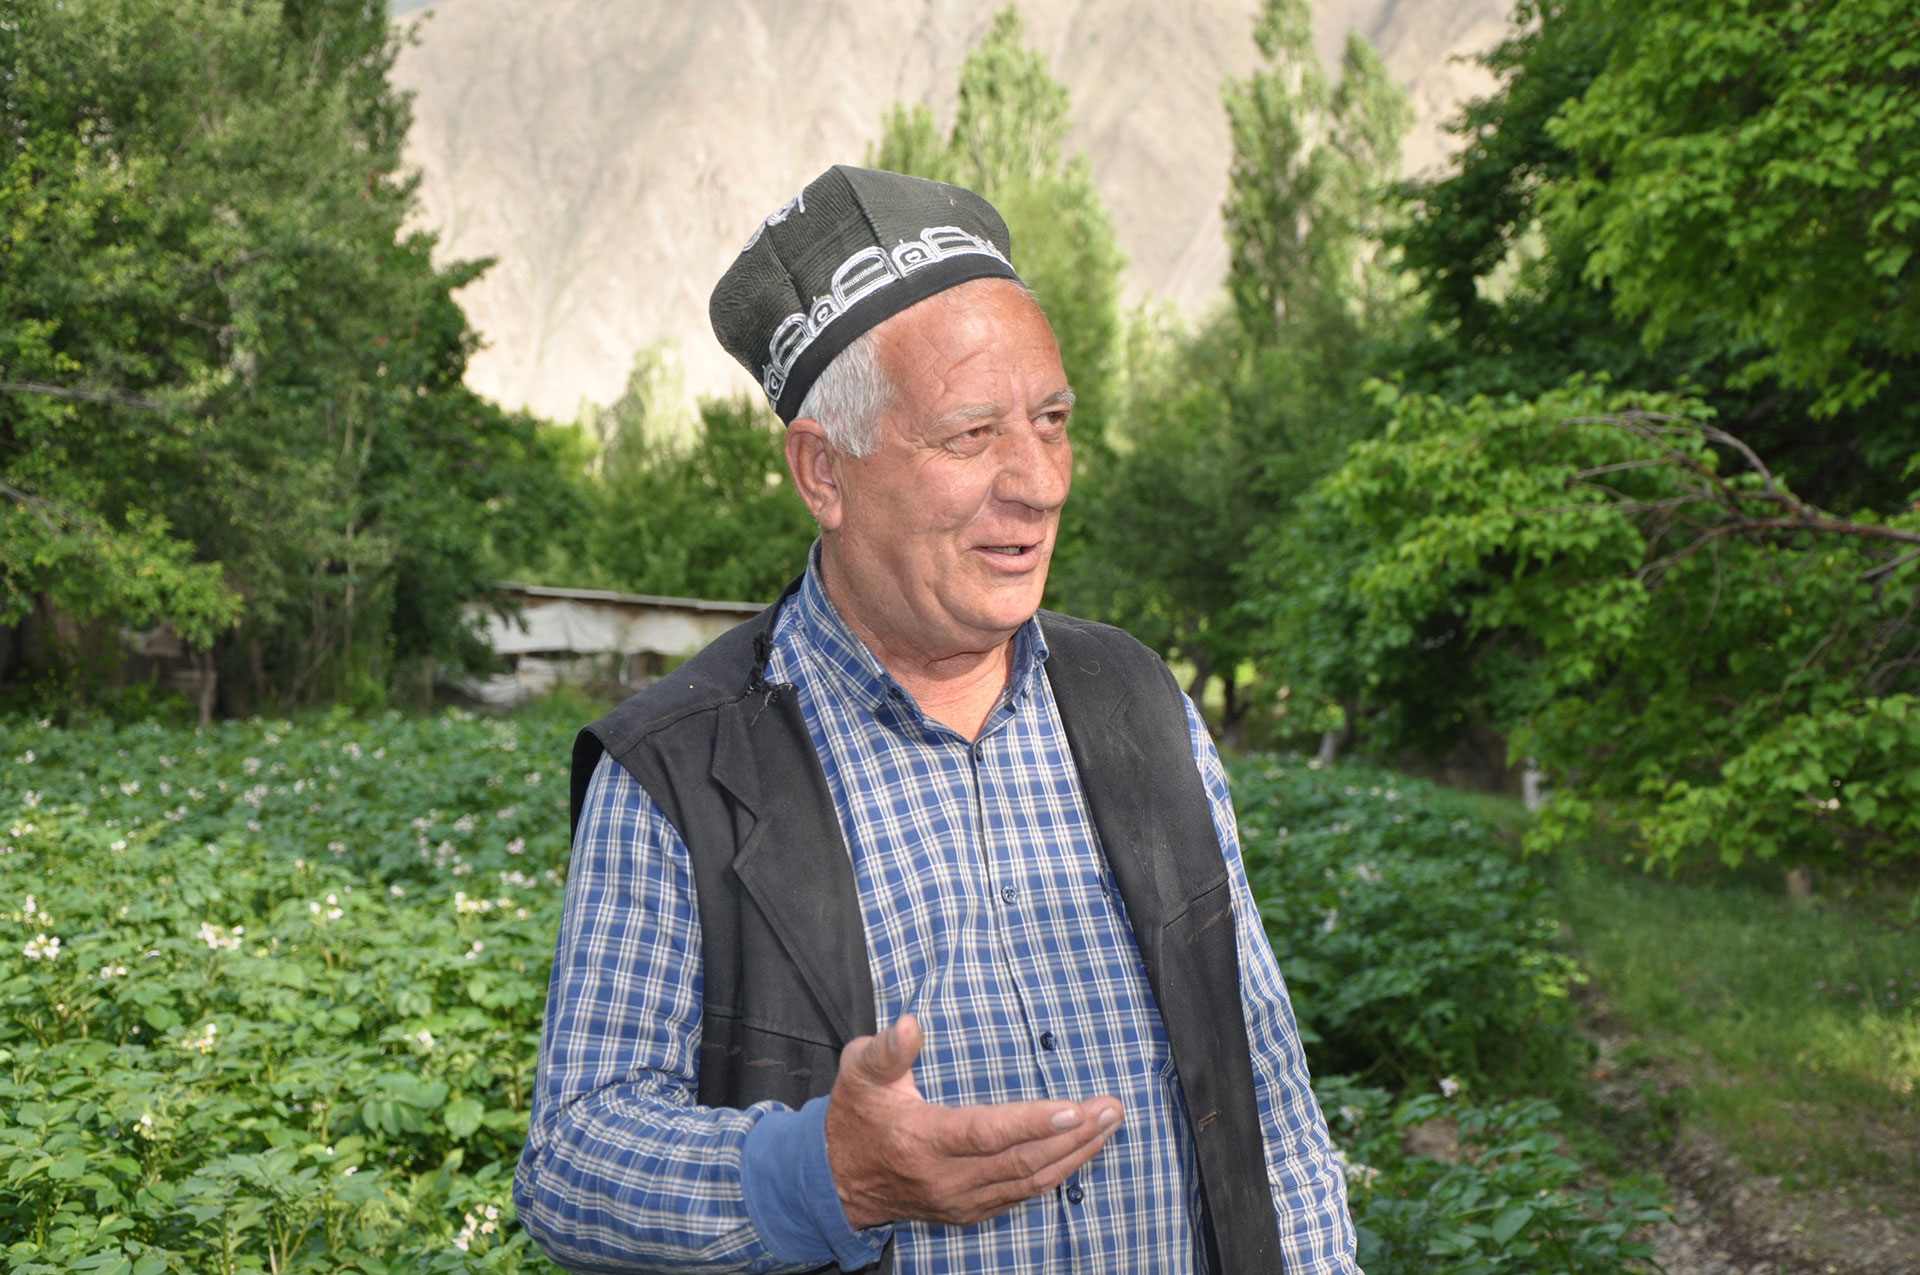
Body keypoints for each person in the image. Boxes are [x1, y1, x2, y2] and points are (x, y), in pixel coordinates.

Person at [514, 165, 1358, 1274]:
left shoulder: (1139, 706)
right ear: (825, 471)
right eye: (971, 436)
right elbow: (574, 1162)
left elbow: (1263, 1082)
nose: (1039, 482)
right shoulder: (679, 772)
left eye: (1052, 421)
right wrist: (828, 1174)